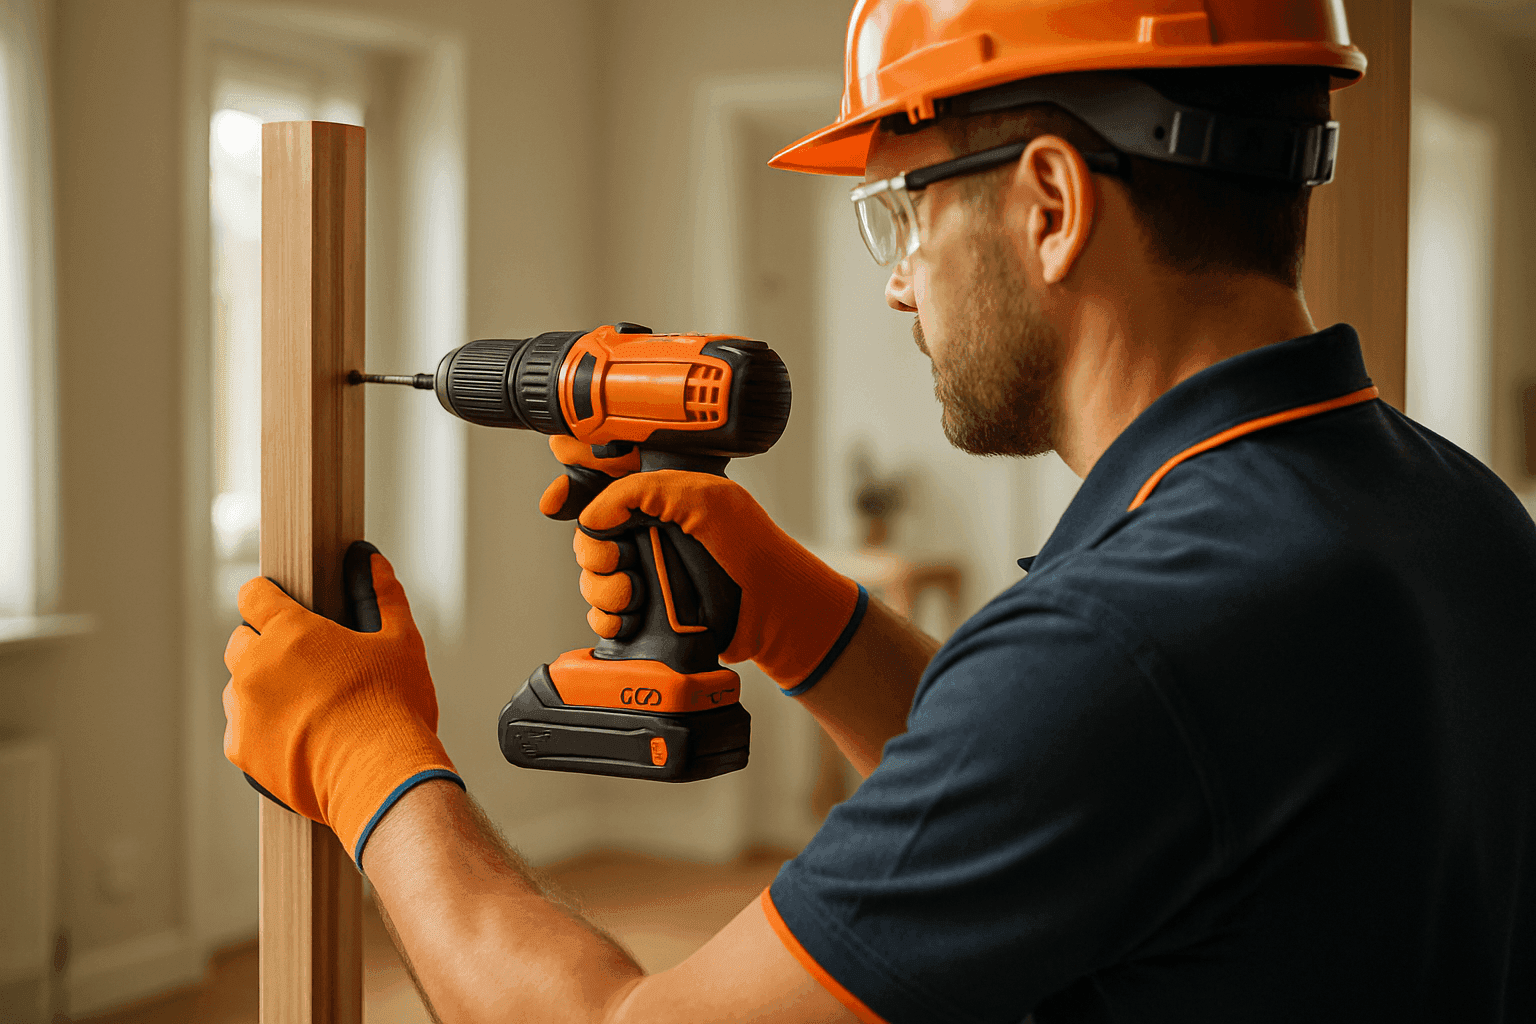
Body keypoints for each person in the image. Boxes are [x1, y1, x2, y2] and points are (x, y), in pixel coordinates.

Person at [223, 1, 1536, 1021]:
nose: (902, 286)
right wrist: (810, 626)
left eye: (905, 211)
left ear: (1051, 204)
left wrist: (364, 756)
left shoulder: (1131, 640)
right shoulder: (1451, 519)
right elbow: (1106, 801)